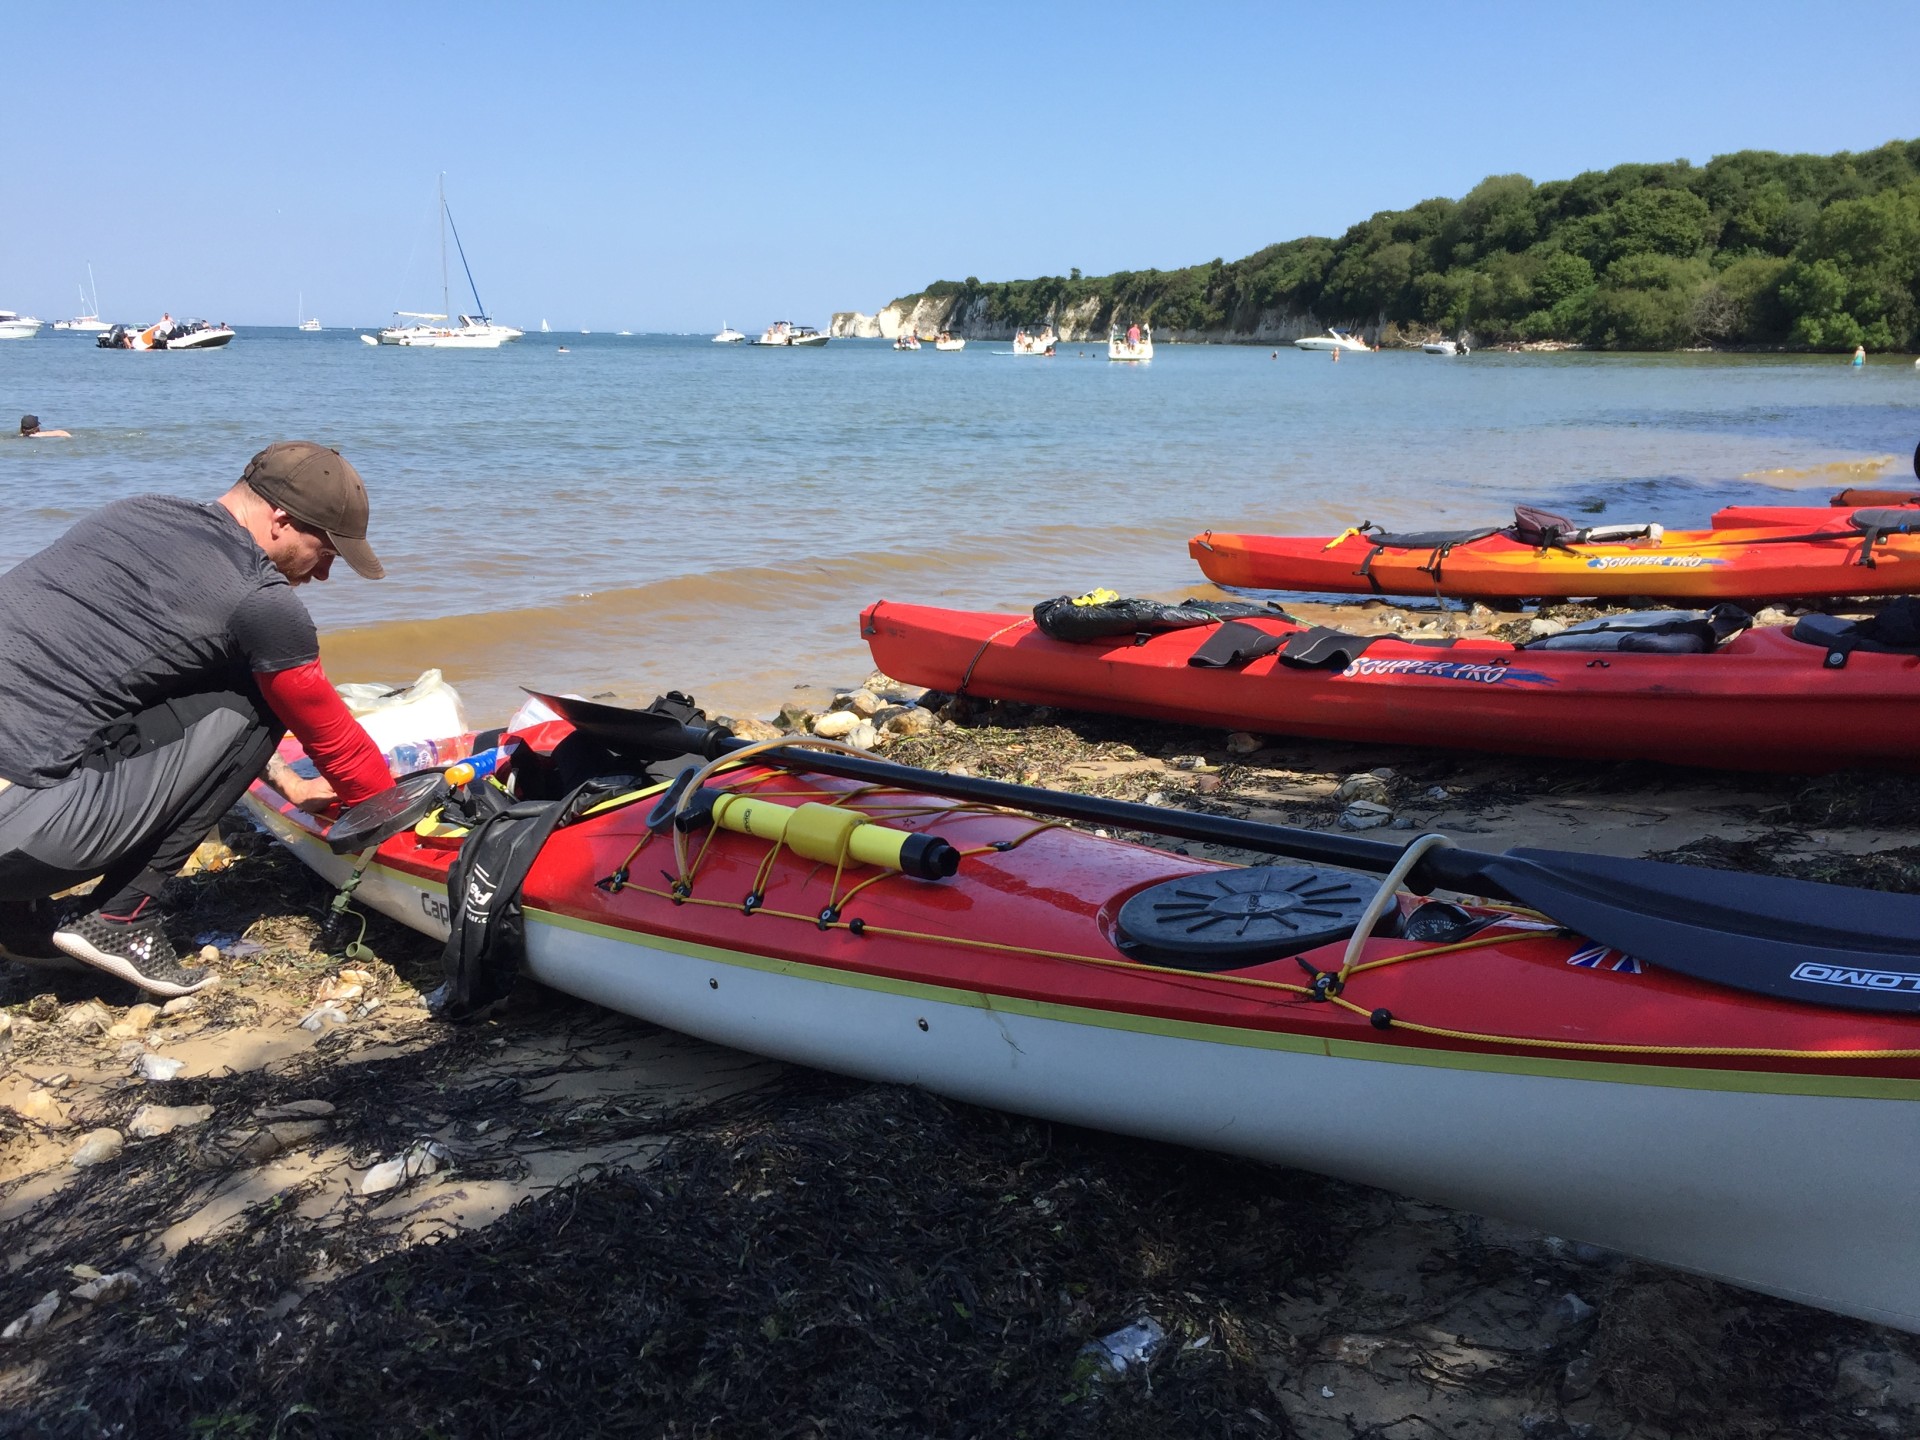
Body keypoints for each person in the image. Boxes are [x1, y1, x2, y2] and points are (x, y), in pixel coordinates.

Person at [0, 442, 397, 996]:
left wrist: (286, 783)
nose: (326, 573)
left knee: (107, 686)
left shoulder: (134, 513)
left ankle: (17, 919)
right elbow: (342, 750)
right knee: (266, 688)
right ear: (281, 520)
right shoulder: (260, 600)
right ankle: (122, 915)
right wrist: (391, 819)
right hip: (18, 839)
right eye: (326, 549)